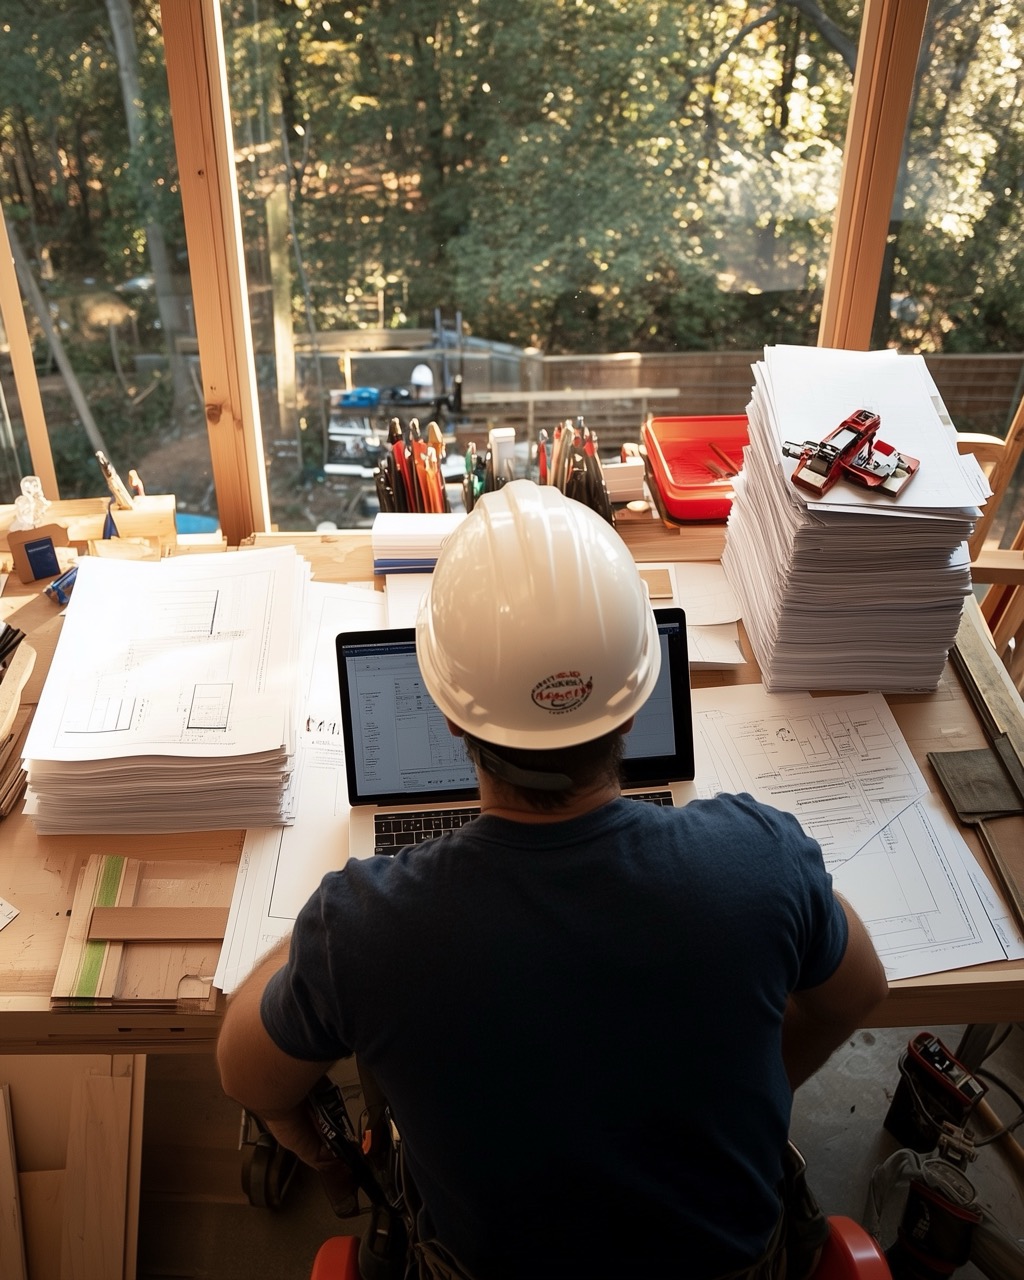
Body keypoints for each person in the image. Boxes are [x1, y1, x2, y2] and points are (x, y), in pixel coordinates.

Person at [217, 480, 888, 1280]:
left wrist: (321, 931)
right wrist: (752, 1091)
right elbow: (857, 993)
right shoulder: (760, 860)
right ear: (635, 705)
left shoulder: (365, 929)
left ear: (449, 715)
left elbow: (243, 1071)